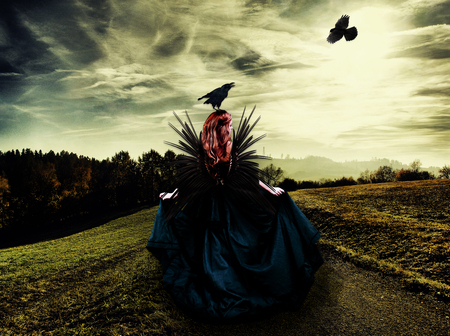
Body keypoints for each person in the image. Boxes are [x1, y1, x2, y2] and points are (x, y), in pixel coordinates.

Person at [147, 108, 323, 322]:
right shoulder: (204, 151)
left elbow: (247, 175)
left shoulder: (232, 148)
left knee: (247, 239)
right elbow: (191, 180)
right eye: (228, 125)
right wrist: (172, 195)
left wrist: (270, 190)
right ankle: (220, 281)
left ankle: (246, 278)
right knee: (214, 247)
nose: (231, 128)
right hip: (210, 208)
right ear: (218, 129)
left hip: (234, 206)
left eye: (231, 125)